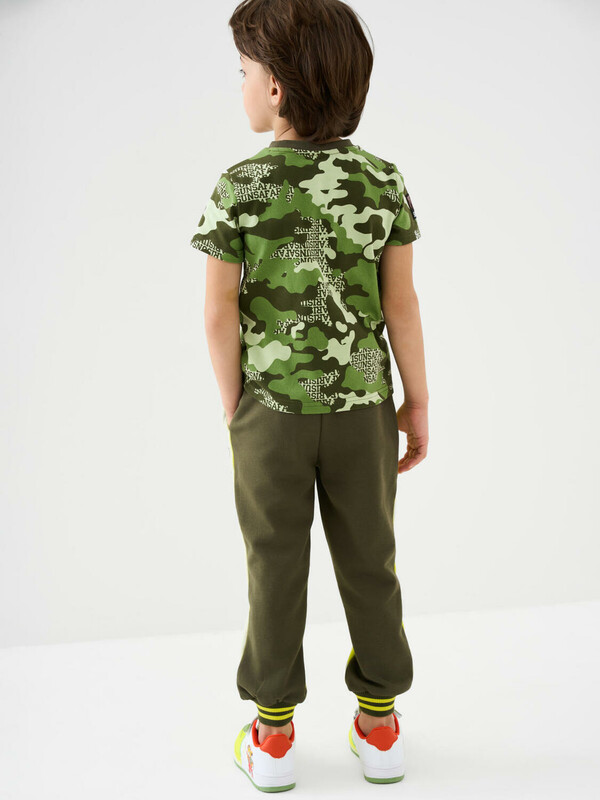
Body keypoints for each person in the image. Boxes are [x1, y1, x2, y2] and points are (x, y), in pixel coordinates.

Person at [189, 0, 429, 790]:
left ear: (277, 89)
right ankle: (381, 726)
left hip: (271, 414)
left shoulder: (240, 185)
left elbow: (218, 310)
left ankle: (273, 739)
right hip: (364, 410)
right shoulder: (381, 180)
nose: (241, 86)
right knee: (371, 562)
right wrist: (417, 401)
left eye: (245, 73)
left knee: (274, 566)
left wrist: (237, 406)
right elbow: (401, 305)